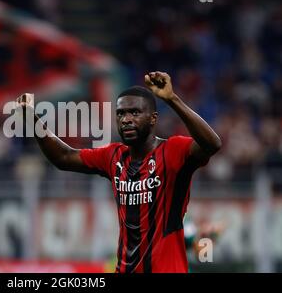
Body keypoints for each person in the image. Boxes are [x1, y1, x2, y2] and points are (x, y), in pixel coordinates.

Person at [16, 71, 222, 273]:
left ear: (153, 118)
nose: (126, 119)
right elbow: (63, 157)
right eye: (121, 113)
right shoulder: (113, 156)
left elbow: (212, 144)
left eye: (135, 112)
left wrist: (172, 99)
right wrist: (33, 120)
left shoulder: (173, 151)